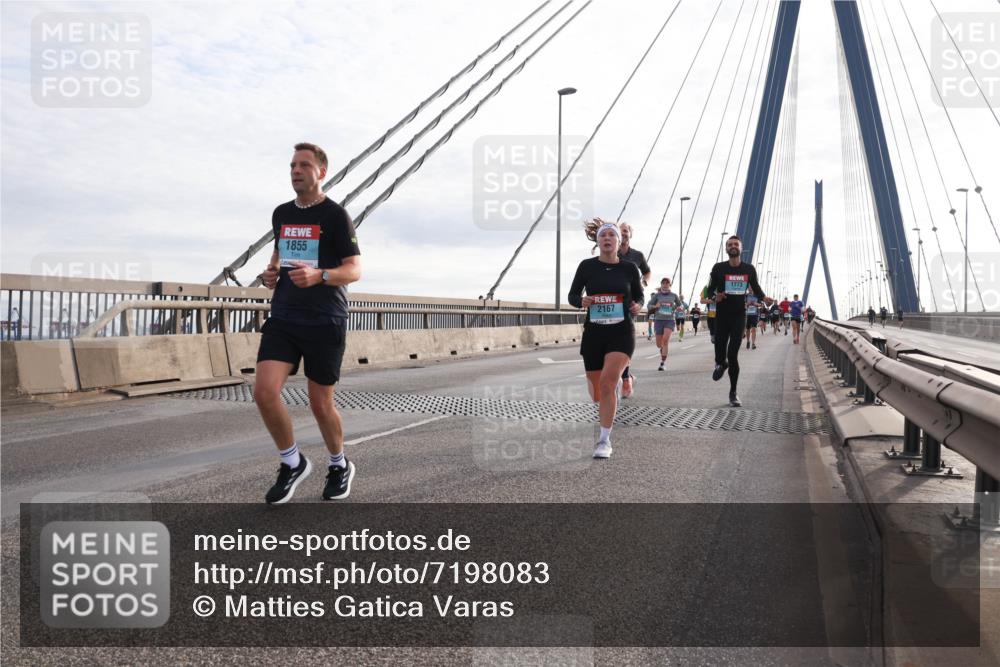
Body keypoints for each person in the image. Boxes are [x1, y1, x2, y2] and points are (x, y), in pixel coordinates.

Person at [256, 142, 362, 505]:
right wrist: (271, 272)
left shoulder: (336, 216)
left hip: (324, 319)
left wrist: (321, 276)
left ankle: (339, 464)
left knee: (320, 404)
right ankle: (292, 462)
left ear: (321, 172)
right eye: (292, 166)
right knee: (264, 391)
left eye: (303, 165)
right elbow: (279, 252)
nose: (295, 171)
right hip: (284, 316)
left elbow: (354, 269)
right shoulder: (282, 214)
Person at [569, 219, 644, 459]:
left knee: (607, 384)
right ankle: (617, 385)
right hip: (594, 333)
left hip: (621, 332)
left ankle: (604, 441)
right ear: (598, 241)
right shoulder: (586, 266)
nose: (607, 238)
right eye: (603, 235)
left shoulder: (629, 269)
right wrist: (581, 301)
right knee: (597, 394)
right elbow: (572, 295)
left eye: (612, 235)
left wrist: (637, 306)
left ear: (619, 242)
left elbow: (640, 296)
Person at [709, 235, 772, 407]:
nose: (733, 246)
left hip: (739, 316)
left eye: (736, 244)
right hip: (722, 316)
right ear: (726, 249)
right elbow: (710, 290)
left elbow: (756, 287)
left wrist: (764, 298)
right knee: (720, 355)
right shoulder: (718, 268)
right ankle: (721, 363)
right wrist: (715, 296)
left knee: (733, 354)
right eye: (730, 244)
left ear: (741, 248)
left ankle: (733, 393)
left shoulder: (749, 269)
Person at [616, 223, 651, 399]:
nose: (623, 234)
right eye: (620, 231)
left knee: (624, 341)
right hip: (613, 302)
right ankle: (626, 375)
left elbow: (647, 272)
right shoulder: (610, 251)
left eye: (625, 231)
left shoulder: (637, 255)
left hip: (630, 303)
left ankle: (625, 378)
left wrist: (643, 283)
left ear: (630, 234)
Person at [647, 277, 679, 371]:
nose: (665, 285)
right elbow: (648, 306)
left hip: (670, 320)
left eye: (667, 283)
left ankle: (663, 363)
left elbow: (680, 304)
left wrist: (677, 307)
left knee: (665, 340)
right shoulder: (657, 295)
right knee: (659, 344)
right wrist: (655, 306)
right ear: (661, 285)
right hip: (658, 320)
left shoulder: (674, 295)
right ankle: (662, 349)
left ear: (670, 285)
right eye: (663, 283)